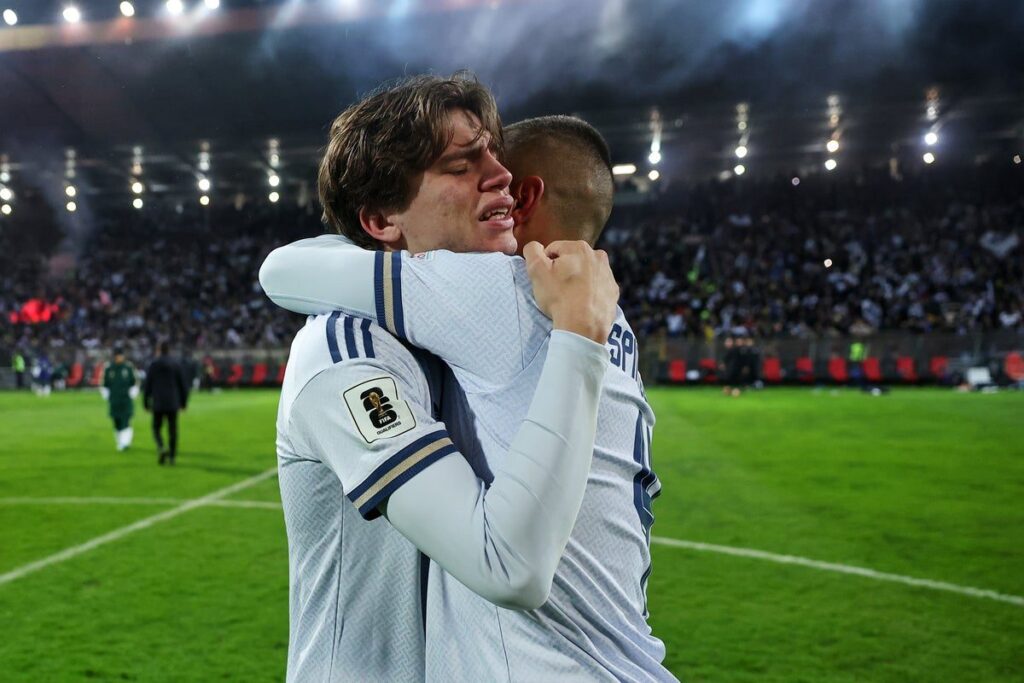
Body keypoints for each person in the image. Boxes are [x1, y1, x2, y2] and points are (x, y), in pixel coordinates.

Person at [261, 100, 673, 679]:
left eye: (495, 156)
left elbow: (280, 268)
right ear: (381, 220)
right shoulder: (346, 345)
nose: (497, 175)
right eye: (462, 164)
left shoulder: (504, 296)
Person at [142, 341, 189, 465]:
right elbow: (183, 385)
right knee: (173, 430)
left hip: (158, 402)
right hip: (173, 402)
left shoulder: (153, 364)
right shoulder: (176, 364)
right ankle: (172, 457)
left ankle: (161, 446)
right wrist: (184, 403)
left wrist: (146, 403)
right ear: (169, 350)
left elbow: (147, 385)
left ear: (158, 350)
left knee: (156, 428)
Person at [101, 346, 138, 451]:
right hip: (114, 400)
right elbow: (105, 384)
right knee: (116, 421)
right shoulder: (108, 368)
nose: (119, 358)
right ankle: (120, 441)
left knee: (125, 420)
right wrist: (106, 395)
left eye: (120, 356)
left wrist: (133, 393)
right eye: (117, 356)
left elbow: (134, 382)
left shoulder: (128, 367)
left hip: (126, 400)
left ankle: (125, 443)